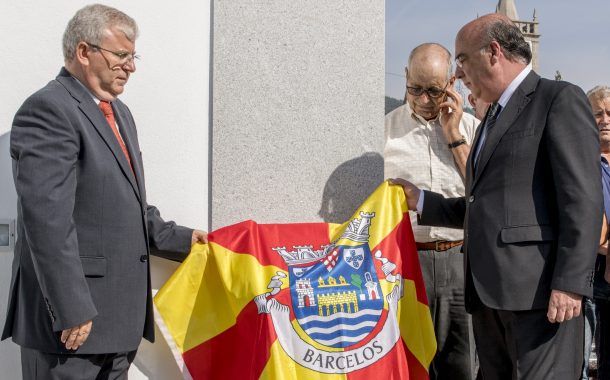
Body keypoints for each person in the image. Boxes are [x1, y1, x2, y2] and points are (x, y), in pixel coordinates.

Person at [1, 4, 208, 379]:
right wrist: (71, 308)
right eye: (122, 55)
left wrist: (184, 240)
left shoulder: (119, 112)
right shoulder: (48, 109)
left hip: (118, 326)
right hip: (69, 330)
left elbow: (127, 205)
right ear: (84, 52)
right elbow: (47, 221)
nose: (131, 66)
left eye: (134, 56)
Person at [392, 14, 601, 380]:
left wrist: (570, 283)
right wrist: (421, 201)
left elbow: (581, 200)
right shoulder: (490, 118)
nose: (457, 75)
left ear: (493, 52)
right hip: (489, 301)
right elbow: (480, 205)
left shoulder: (557, 99)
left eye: (461, 60)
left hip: (540, 299)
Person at [384, 43, 479, 379]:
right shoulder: (385, 131)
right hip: (407, 261)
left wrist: (453, 134)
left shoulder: (472, 130)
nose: (424, 100)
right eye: (415, 89)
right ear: (406, 78)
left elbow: (484, 192)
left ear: (452, 83)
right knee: (409, 362)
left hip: (461, 258)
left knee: (463, 363)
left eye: (434, 91)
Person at [583, 85, 610, 380]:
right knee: (579, 357)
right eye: (598, 113)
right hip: (588, 272)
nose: (605, 119)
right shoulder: (581, 161)